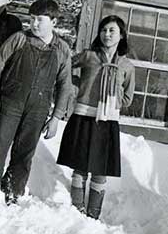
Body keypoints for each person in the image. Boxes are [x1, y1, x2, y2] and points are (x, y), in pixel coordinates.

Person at [0, 0, 72, 205]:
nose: (34, 24)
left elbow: (65, 85)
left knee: (24, 153)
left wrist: (55, 118)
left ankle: (12, 194)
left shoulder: (62, 49)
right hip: (9, 103)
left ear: (54, 22)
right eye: (32, 19)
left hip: (38, 109)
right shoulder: (19, 39)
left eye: (40, 20)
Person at [57, 15, 135, 220]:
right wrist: (77, 85)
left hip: (108, 121)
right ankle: (76, 212)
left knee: (100, 170)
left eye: (112, 31)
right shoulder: (88, 56)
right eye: (103, 30)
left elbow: (127, 98)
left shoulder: (127, 66)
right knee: (80, 166)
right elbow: (64, 68)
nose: (107, 34)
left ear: (121, 35)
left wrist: (113, 96)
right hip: (84, 117)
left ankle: (93, 216)